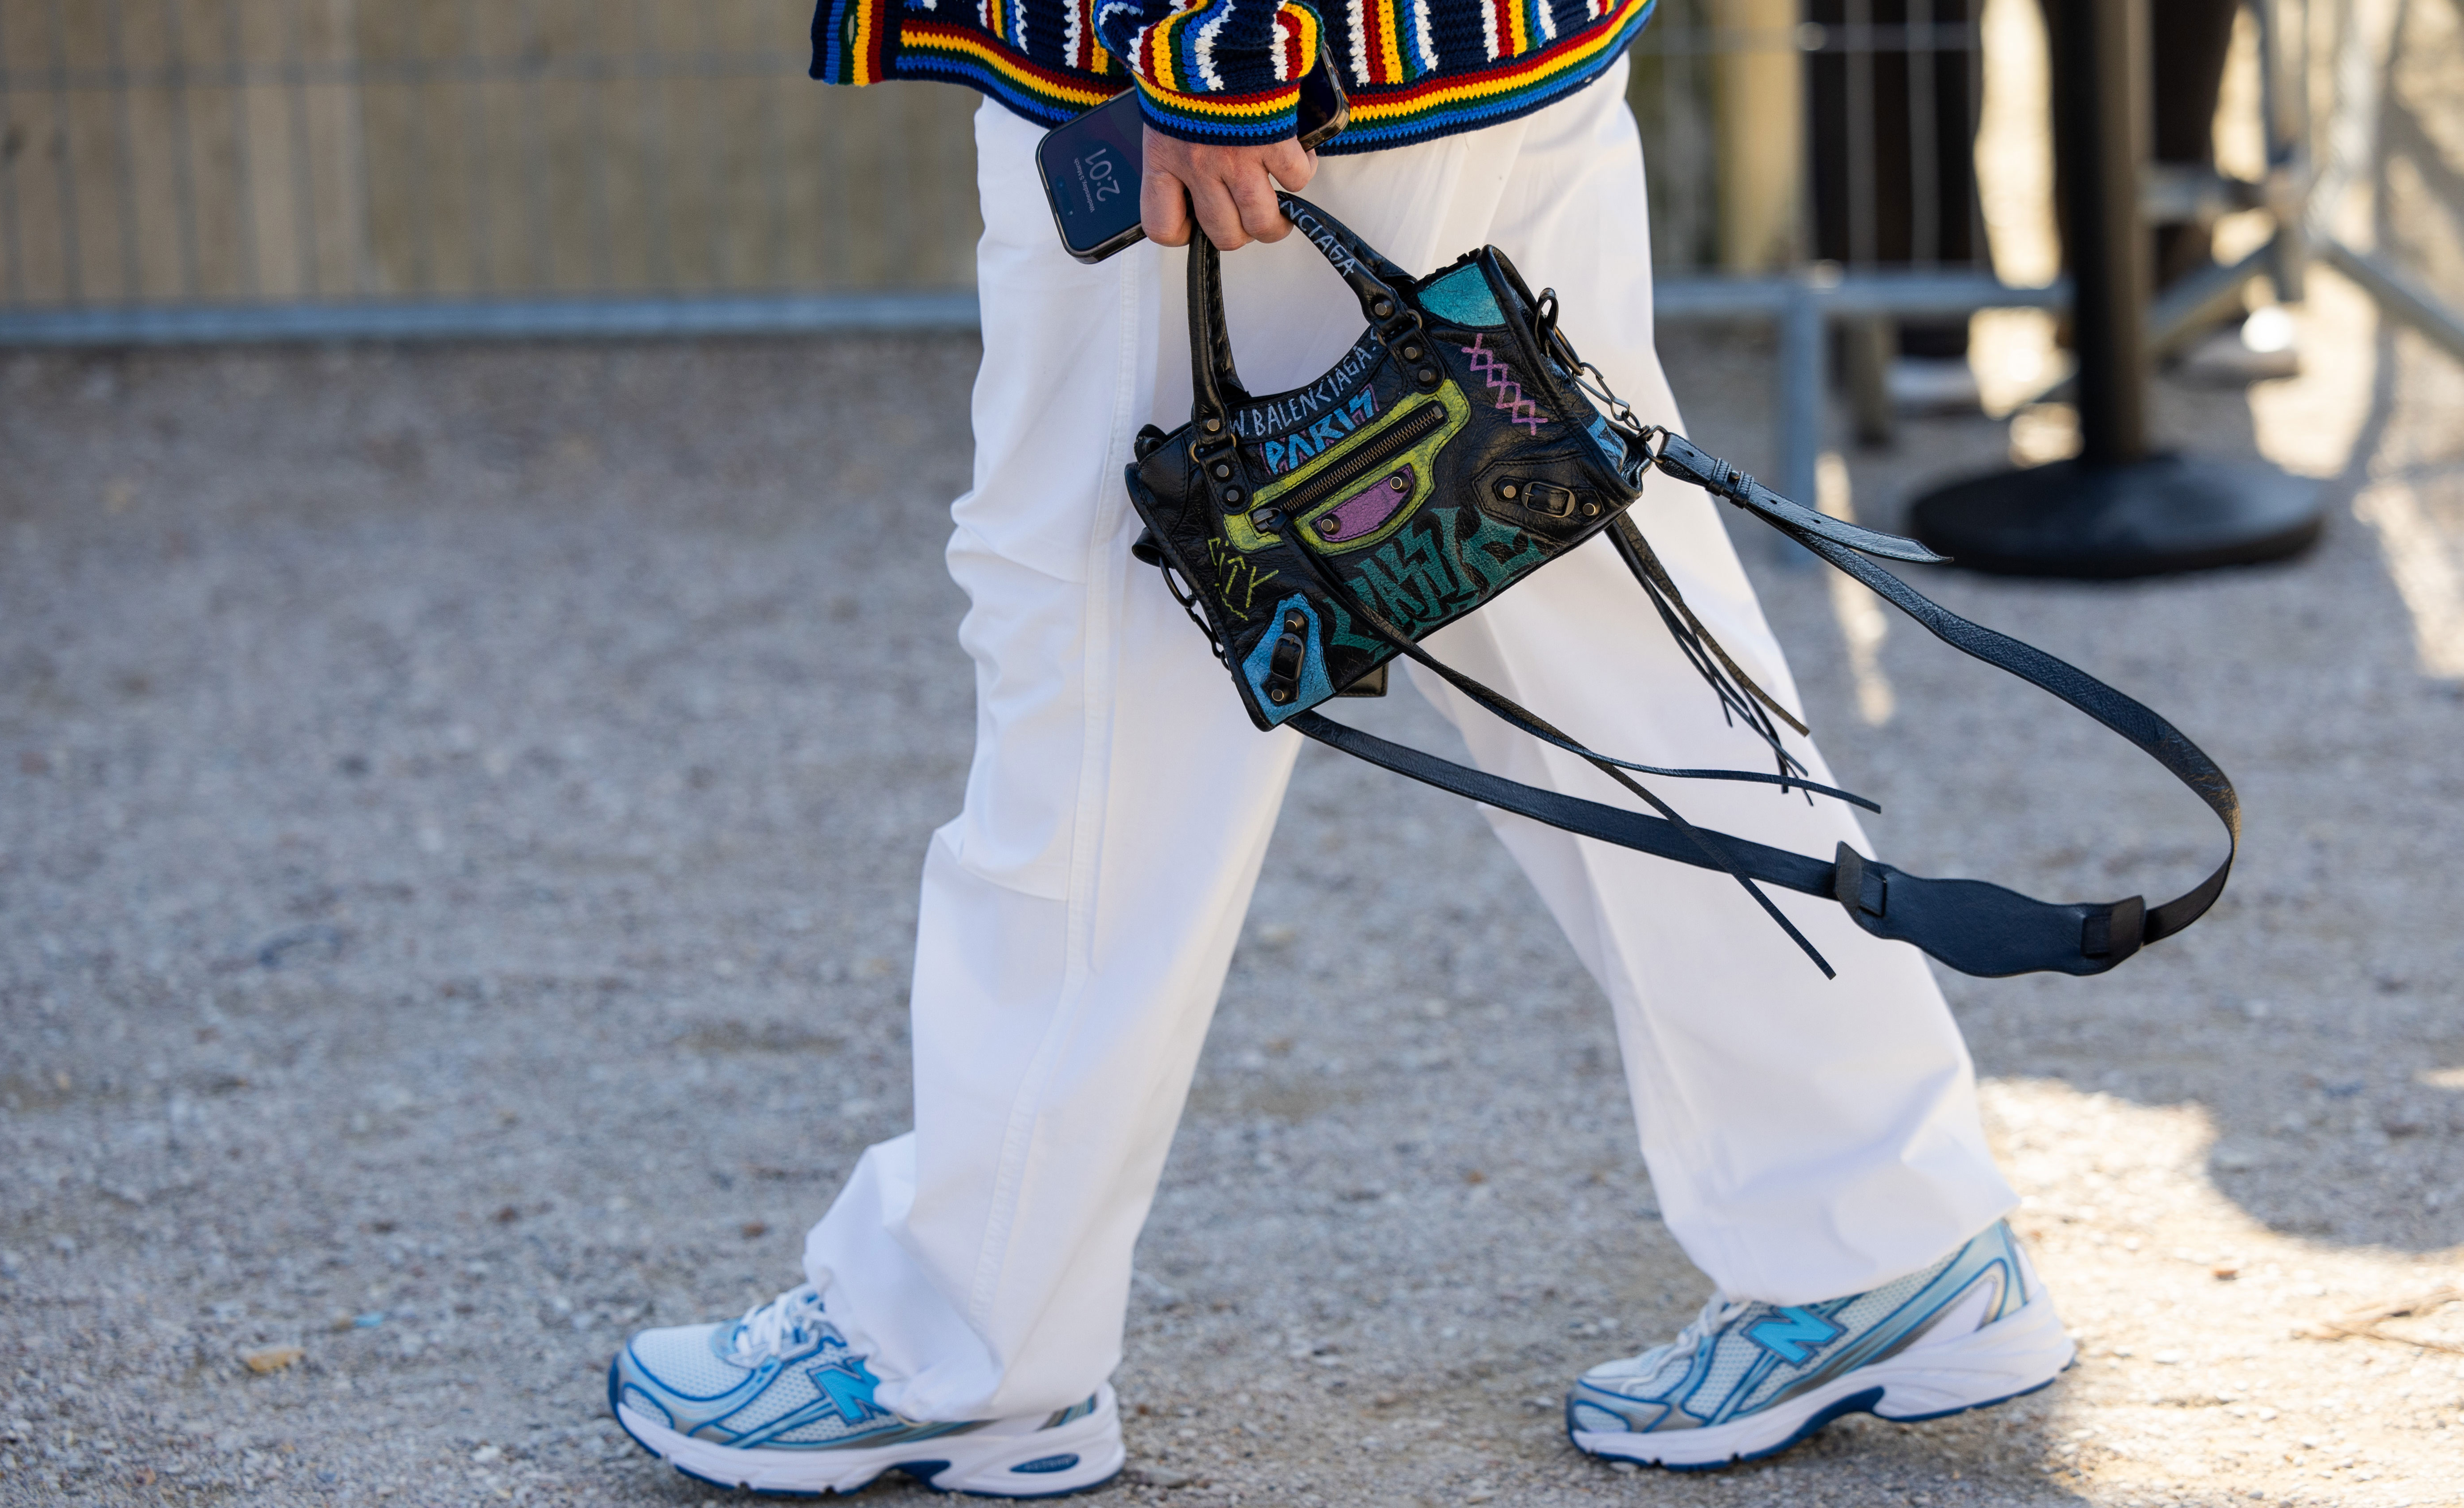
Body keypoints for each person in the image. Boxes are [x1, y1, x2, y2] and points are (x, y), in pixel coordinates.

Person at [601, 0, 2074, 1494]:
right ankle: (1883, 1228)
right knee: (1595, 615)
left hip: (1254, 99)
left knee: (1106, 687)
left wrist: (1214, 57)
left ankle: (963, 1341)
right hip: (1468, 49)